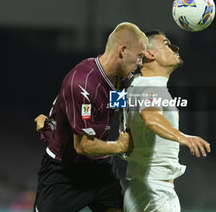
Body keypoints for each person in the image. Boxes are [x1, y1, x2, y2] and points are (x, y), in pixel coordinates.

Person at [33, 22, 148, 212]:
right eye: (139, 56)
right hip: (64, 172)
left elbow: (118, 103)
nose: (140, 63)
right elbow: (83, 146)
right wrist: (119, 147)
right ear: (122, 51)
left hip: (99, 167)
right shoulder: (83, 84)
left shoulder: (120, 78)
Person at [123, 29, 211, 212]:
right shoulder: (151, 86)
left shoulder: (138, 85)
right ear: (150, 53)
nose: (174, 48)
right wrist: (183, 138)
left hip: (140, 190)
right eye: (166, 44)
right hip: (156, 192)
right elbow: (151, 118)